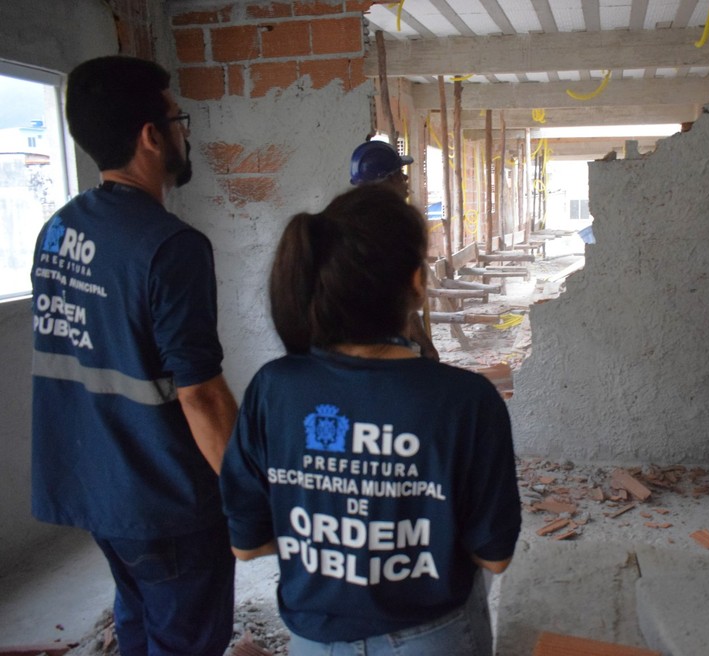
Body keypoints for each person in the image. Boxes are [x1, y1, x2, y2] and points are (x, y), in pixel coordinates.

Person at [220, 186, 521, 655]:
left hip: (314, 640)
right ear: (417, 283)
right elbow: (495, 557)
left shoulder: (272, 390)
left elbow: (248, 545)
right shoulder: (467, 401)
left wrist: (334, 539)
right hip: (433, 637)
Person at [31, 56, 238, 654]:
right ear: (152, 135)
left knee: (139, 616)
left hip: (92, 487)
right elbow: (200, 393)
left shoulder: (57, 231)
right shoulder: (172, 247)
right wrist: (244, 493)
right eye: (180, 119)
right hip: (162, 496)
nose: (184, 132)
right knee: (187, 637)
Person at [349, 139, 440, 361]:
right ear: (388, 179)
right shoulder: (387, 228)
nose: (406, 179)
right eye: (400, 173)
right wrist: (426, 346)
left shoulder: (350, 221)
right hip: (384, 348)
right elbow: (398, 296)